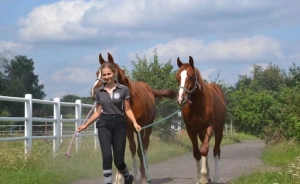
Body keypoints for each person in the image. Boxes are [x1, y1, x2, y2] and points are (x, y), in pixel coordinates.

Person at [77, 62, 141, 184]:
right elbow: (97, 112)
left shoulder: (123, 90)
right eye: (104, 75)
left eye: (108, 74)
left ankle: (128, 177)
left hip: (119, 125)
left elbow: (127, 109)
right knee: (107, 157)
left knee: (119, 161)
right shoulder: (99, 92)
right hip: (104, 125)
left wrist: (135, 123)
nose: (106, 77)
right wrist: (85, 125)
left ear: (114, 73)